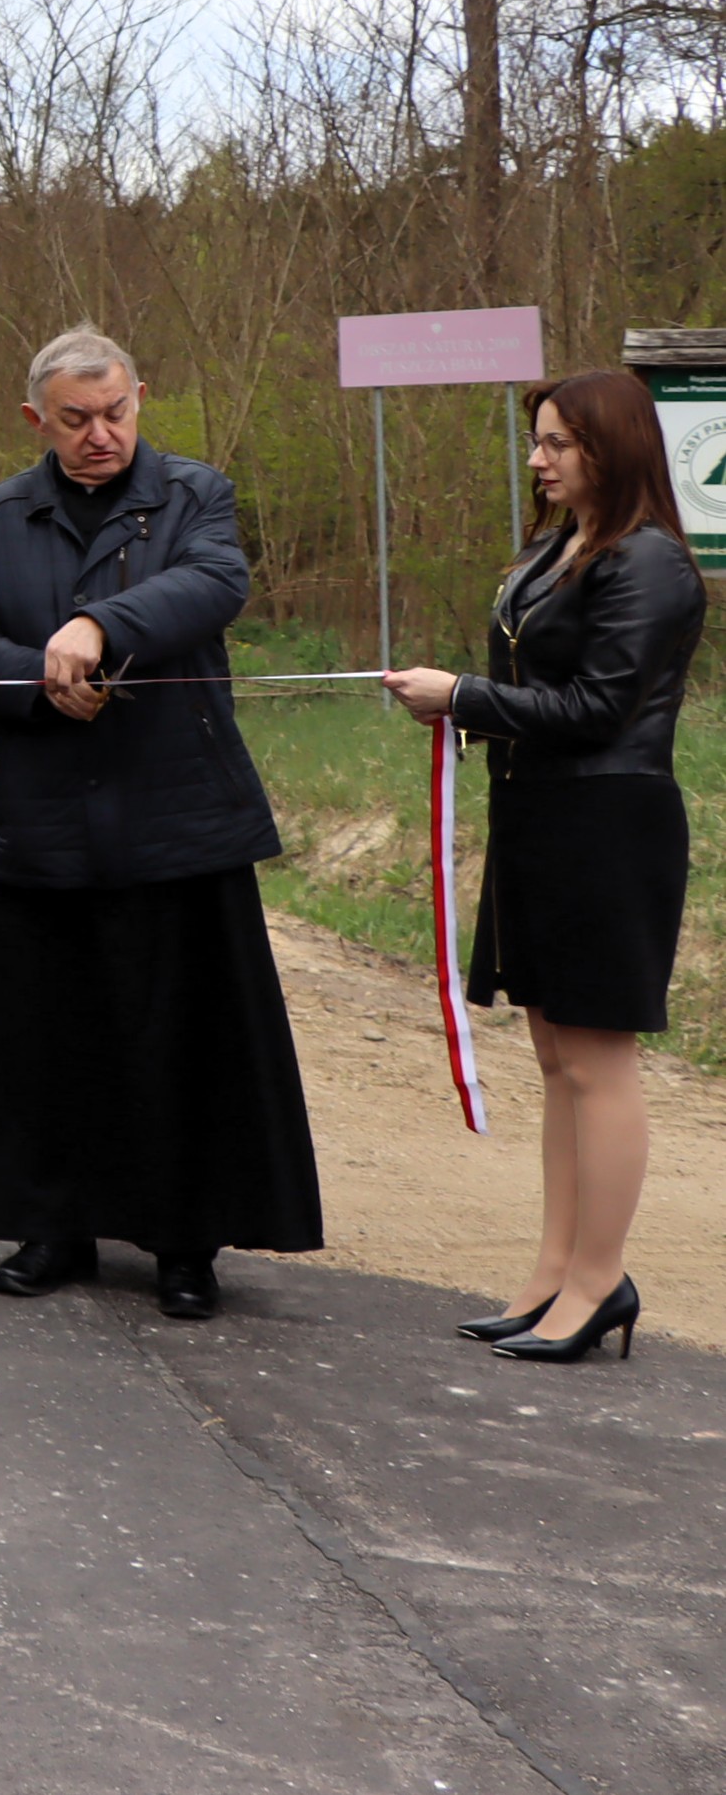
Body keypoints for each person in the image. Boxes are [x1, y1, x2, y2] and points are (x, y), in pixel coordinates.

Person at [0, 324, 319, 1322]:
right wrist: (34, 681)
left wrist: (99, 627)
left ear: (139, 397)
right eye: (75, 420)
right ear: (35, 421)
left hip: (177, 811)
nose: (100, 434)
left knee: (183, 1035)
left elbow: (214, 585)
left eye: (116, 412)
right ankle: (50, 1226)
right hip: (48, 817)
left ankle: (185, 1242)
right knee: (48, 1035)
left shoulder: (196, 496)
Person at [388, 370, 705, 1366]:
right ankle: (552, 1275)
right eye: (537, 441)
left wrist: (460, 696)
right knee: (557, 1063)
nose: (537, 458)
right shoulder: (557, 549)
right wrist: (461, 697)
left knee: (600, 1066)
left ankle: (599, 1281)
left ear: (610, 448)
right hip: (538, 820)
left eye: (557, 442)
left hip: (609, 824)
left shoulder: (648, 564)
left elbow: (596, 711)